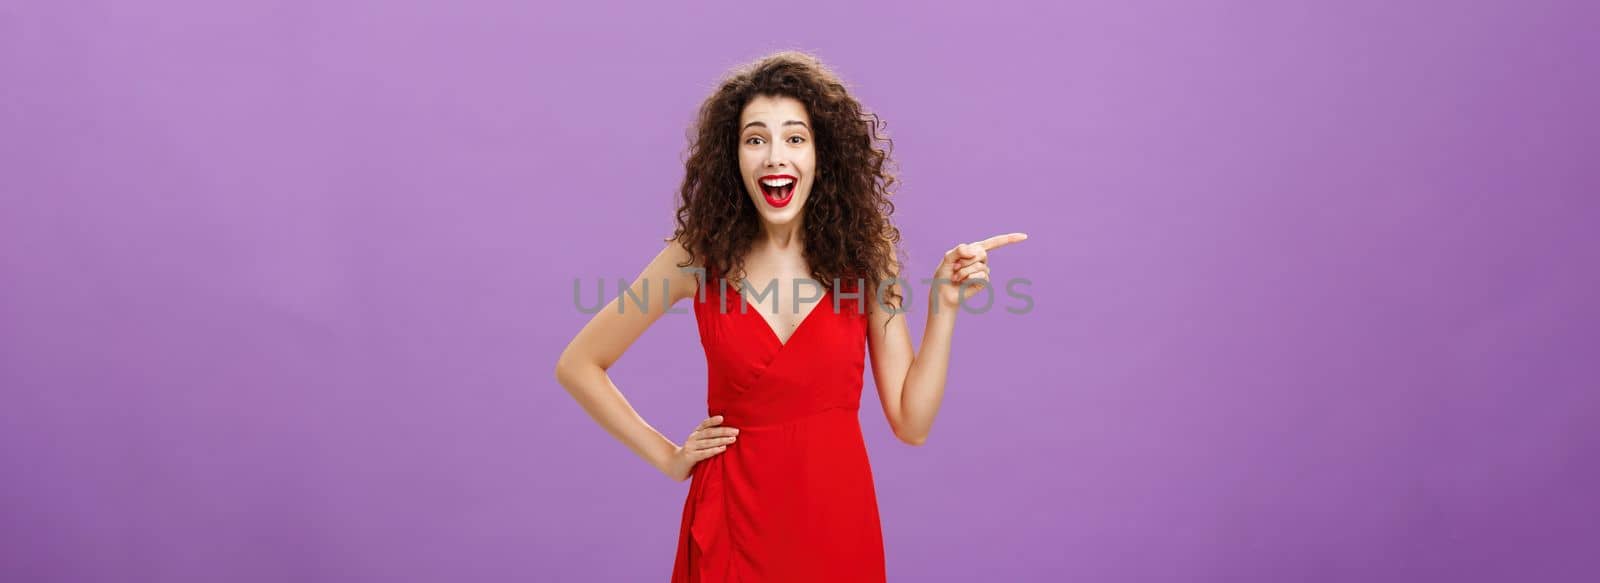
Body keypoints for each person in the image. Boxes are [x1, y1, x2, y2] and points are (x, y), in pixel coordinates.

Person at [554, 50, 1027, 582]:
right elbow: (579, 363)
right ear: (732, 156)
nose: (775, 155)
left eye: (795, 138)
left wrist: (943, 307)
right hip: (731, 518)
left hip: (836, 523)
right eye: (756, 139)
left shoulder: (866, 258)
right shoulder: (695, 256)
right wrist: (668, 457)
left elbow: (911, 423)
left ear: (822, 154)